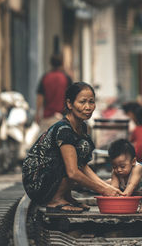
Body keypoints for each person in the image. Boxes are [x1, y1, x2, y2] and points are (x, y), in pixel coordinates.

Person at [23, 82, 123, 213]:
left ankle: (65, 196)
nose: (88, 107)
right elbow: (72, 172)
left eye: (91, 102)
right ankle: (56, 200)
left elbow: (83, 166)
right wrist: (103, 190)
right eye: (82, 102)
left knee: (80, 155)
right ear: (70, 104)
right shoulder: (64, 129)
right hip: (37, 183)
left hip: (50, 177)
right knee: (73, 168)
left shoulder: (81, 127)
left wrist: (106, 186)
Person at [108, 139, 142, 213]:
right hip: (127, 192)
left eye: (122, 166)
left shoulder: (137, 168)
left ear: (133, 161)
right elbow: (114, 188)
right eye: (114, 166)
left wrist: (122, 198)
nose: (118, 170)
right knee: (109, 183)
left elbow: (132, 185)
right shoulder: (115, 172)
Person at [35, 54, 72, 133]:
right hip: (62, 118)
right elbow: (71, 98)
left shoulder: (45, 77)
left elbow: (40, 97)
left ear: (50, 64)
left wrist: (37, 114)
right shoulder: (66, 78)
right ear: (62, 63)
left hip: (47, 118)